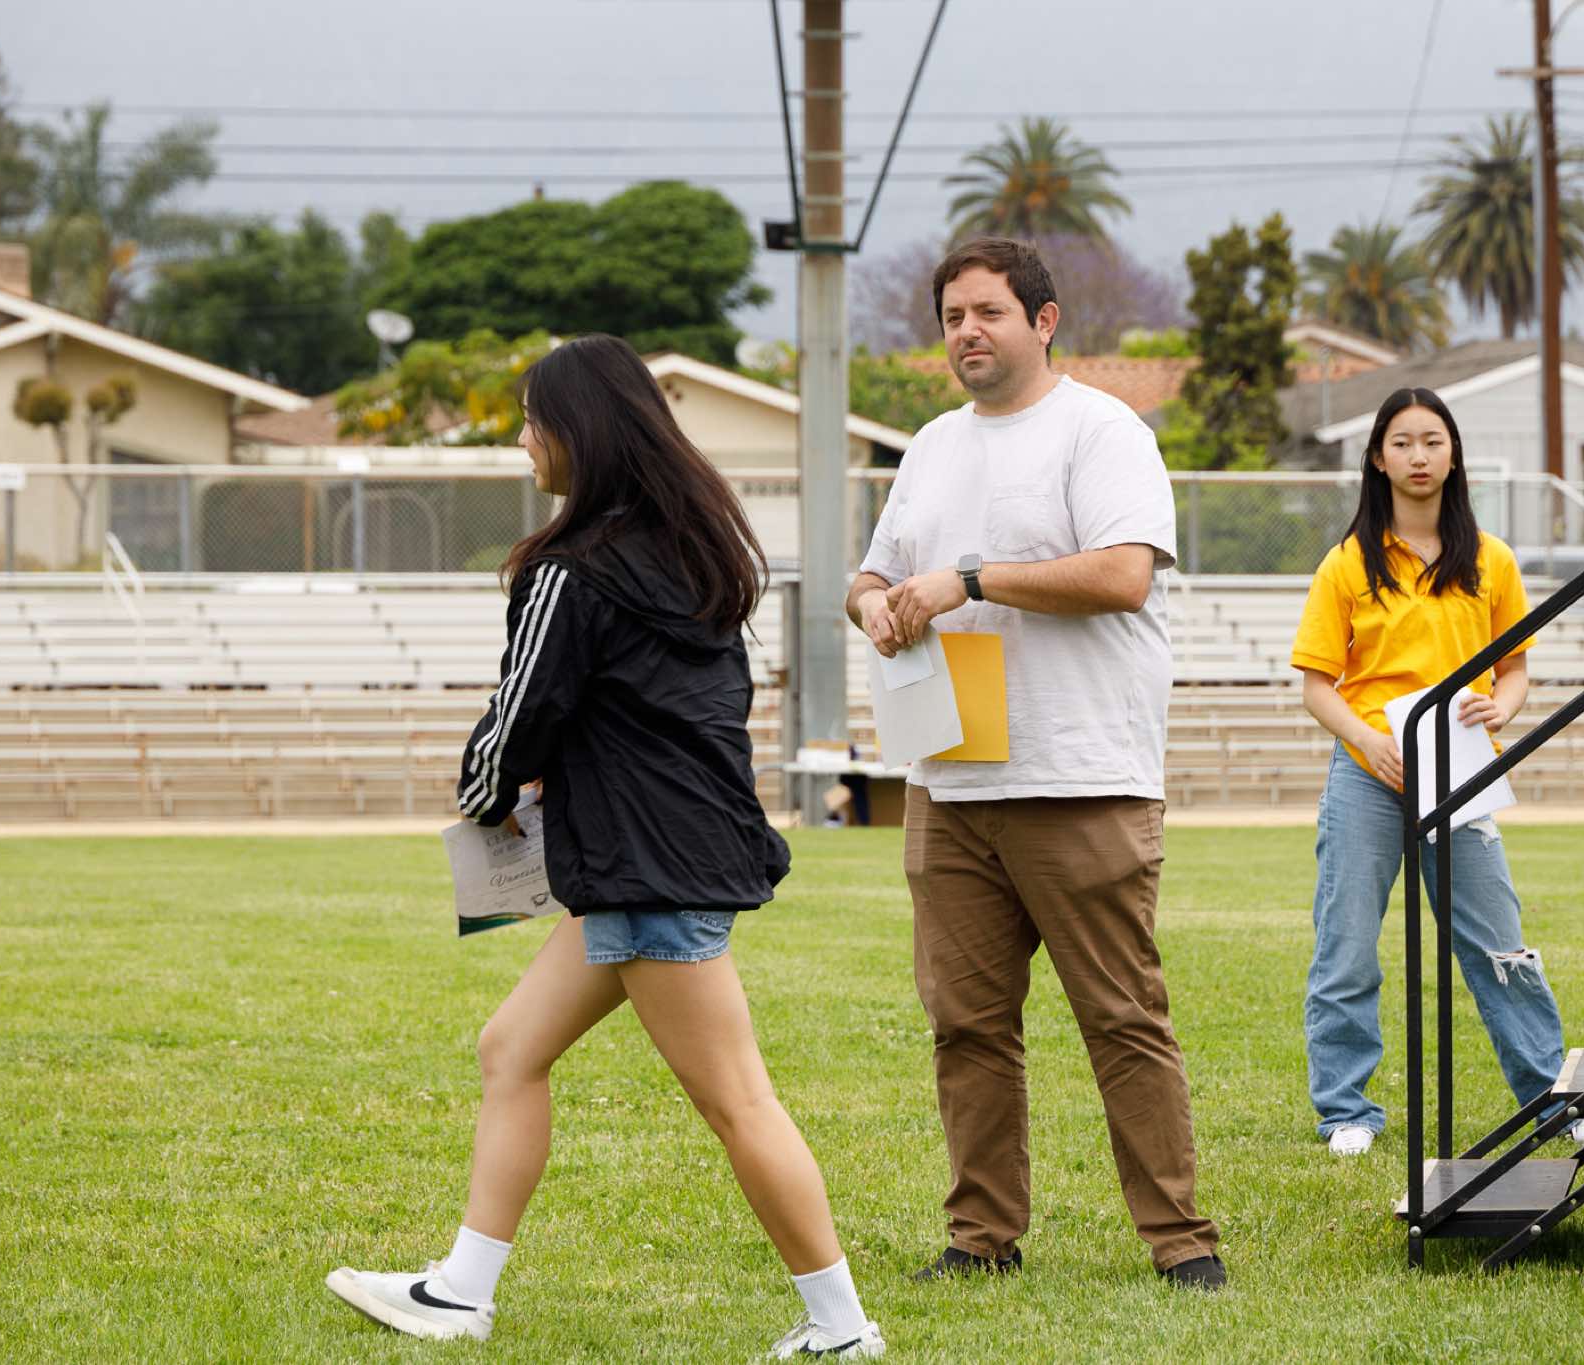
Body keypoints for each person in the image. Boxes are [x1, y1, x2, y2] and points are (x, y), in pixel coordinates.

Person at [325, 335, 884, 1359]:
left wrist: (483, 796)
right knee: (511, 1048)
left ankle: (842, 1329)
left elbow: (524, 711)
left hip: (643, 870)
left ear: (578, 432)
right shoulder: (694, 552)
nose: (523, 440)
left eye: (533, 421)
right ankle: (460, 1292)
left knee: (739, 1101)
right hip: (662, 857)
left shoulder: (570, 570)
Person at [845, 237, 1226, 1291]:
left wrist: (969, 579)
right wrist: (874, 604)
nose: (966, 331)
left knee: (1121, 1018)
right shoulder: (930, 446)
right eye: (952, 317)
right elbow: (871, 575)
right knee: (965, 1027)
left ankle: (1180, 1242)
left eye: (988, 312)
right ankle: (981, 1239)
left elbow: (1121, 575)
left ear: (1043, 321)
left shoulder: (1101, 430)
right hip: (949, 780)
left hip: (1080, 777)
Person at [1289, 387, 1584, 1158]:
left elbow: (1515, 668)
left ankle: (1551, 1098)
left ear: (1454, 453)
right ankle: (1346, 1110)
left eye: (1432, 440)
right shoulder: (1347, 563)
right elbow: (1317, 685)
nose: (1419, 456)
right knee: (1347, 943)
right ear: (1377, 458)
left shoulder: (1491, 559)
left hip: (1462, 773)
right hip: (1370, 771)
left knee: (1500, 943)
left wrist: (1505, 707)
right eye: (1402, 442)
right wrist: (1368, 741)